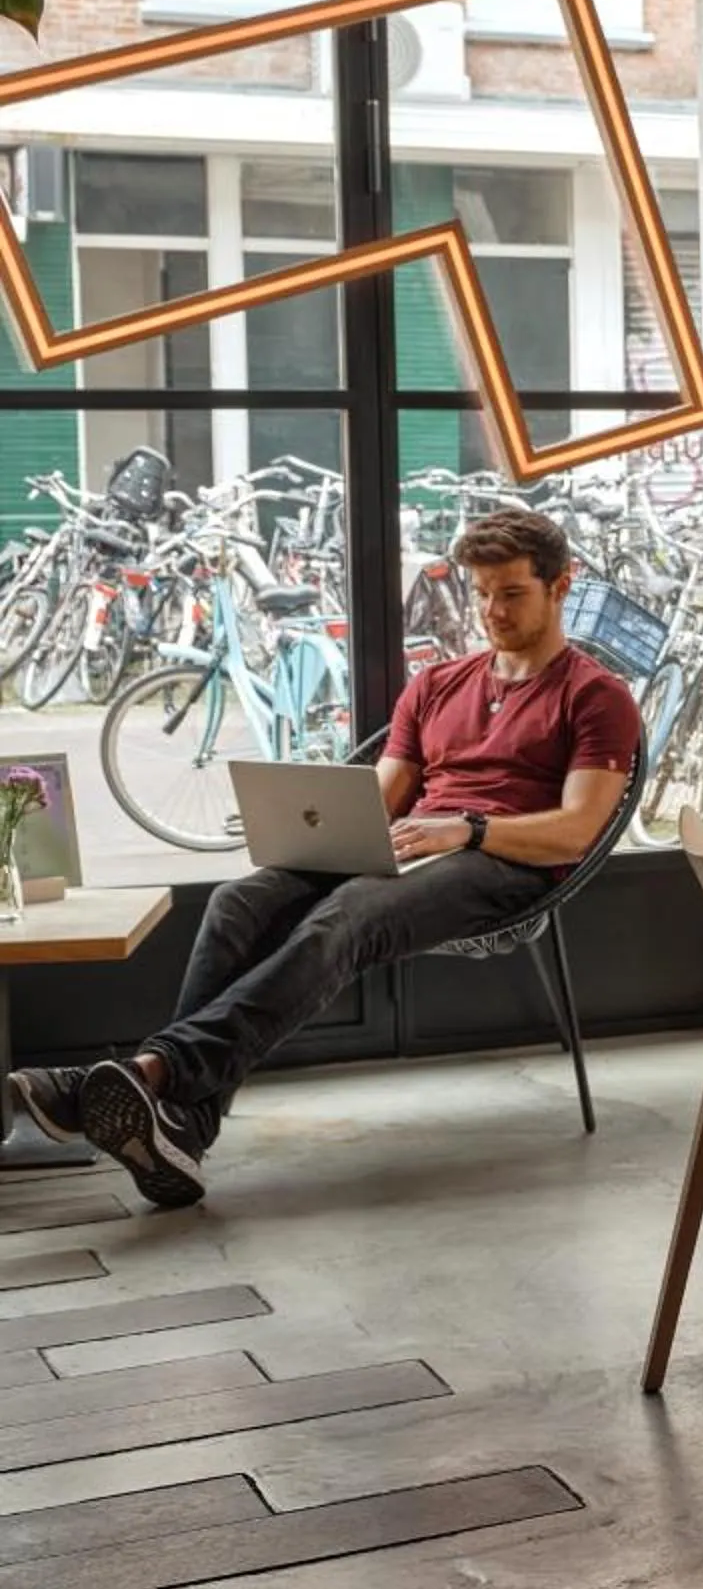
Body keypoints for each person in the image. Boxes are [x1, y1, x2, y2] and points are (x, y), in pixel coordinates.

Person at [3, 508, 639, 1210]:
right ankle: (183, 1124)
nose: (491, 610)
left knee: (347, 914)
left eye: (511, 593)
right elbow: (386, 797)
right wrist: (310, 823)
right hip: (415, 847)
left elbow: (576, 832)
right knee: (239, 900)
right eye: (481, 592)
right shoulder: (436, 686)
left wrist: (470, 829)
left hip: (503, 865)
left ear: (561, 587)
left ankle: (153, 1070)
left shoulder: (595, 696)